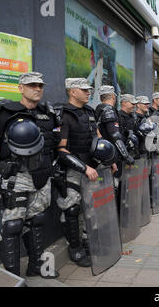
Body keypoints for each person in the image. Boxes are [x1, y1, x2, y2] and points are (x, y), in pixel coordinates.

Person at [0, 72, 60, 278]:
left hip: (43, 176)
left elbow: (54, 145)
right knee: (13, 226)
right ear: (20, 88)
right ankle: (11, 277)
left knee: (38, 220)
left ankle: (36, 267)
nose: (37, 89)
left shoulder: (48, 113)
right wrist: (4, 168)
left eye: (40, 85)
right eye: (31, 85)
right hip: (17, 178)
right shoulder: (4, 112)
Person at [55, 78, 116, 268]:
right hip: (74, 171)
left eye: (88, 90)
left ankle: (89, 243)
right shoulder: (64, 115)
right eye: (84, 90)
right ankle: (75, 249)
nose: (88, 93)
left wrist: (109, 160)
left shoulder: (89, 111)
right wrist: (84, 168)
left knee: (91, 208)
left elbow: (97, 137)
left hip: (93, 167)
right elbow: (61, 149)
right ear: (72, 92)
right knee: (72, 210)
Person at [95, 85, 134, 166]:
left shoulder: (98, 109)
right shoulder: (109, 110)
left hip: (103, 152)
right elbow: (114, 135)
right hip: (109, 154)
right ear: (113, 96)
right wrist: (126, 156)